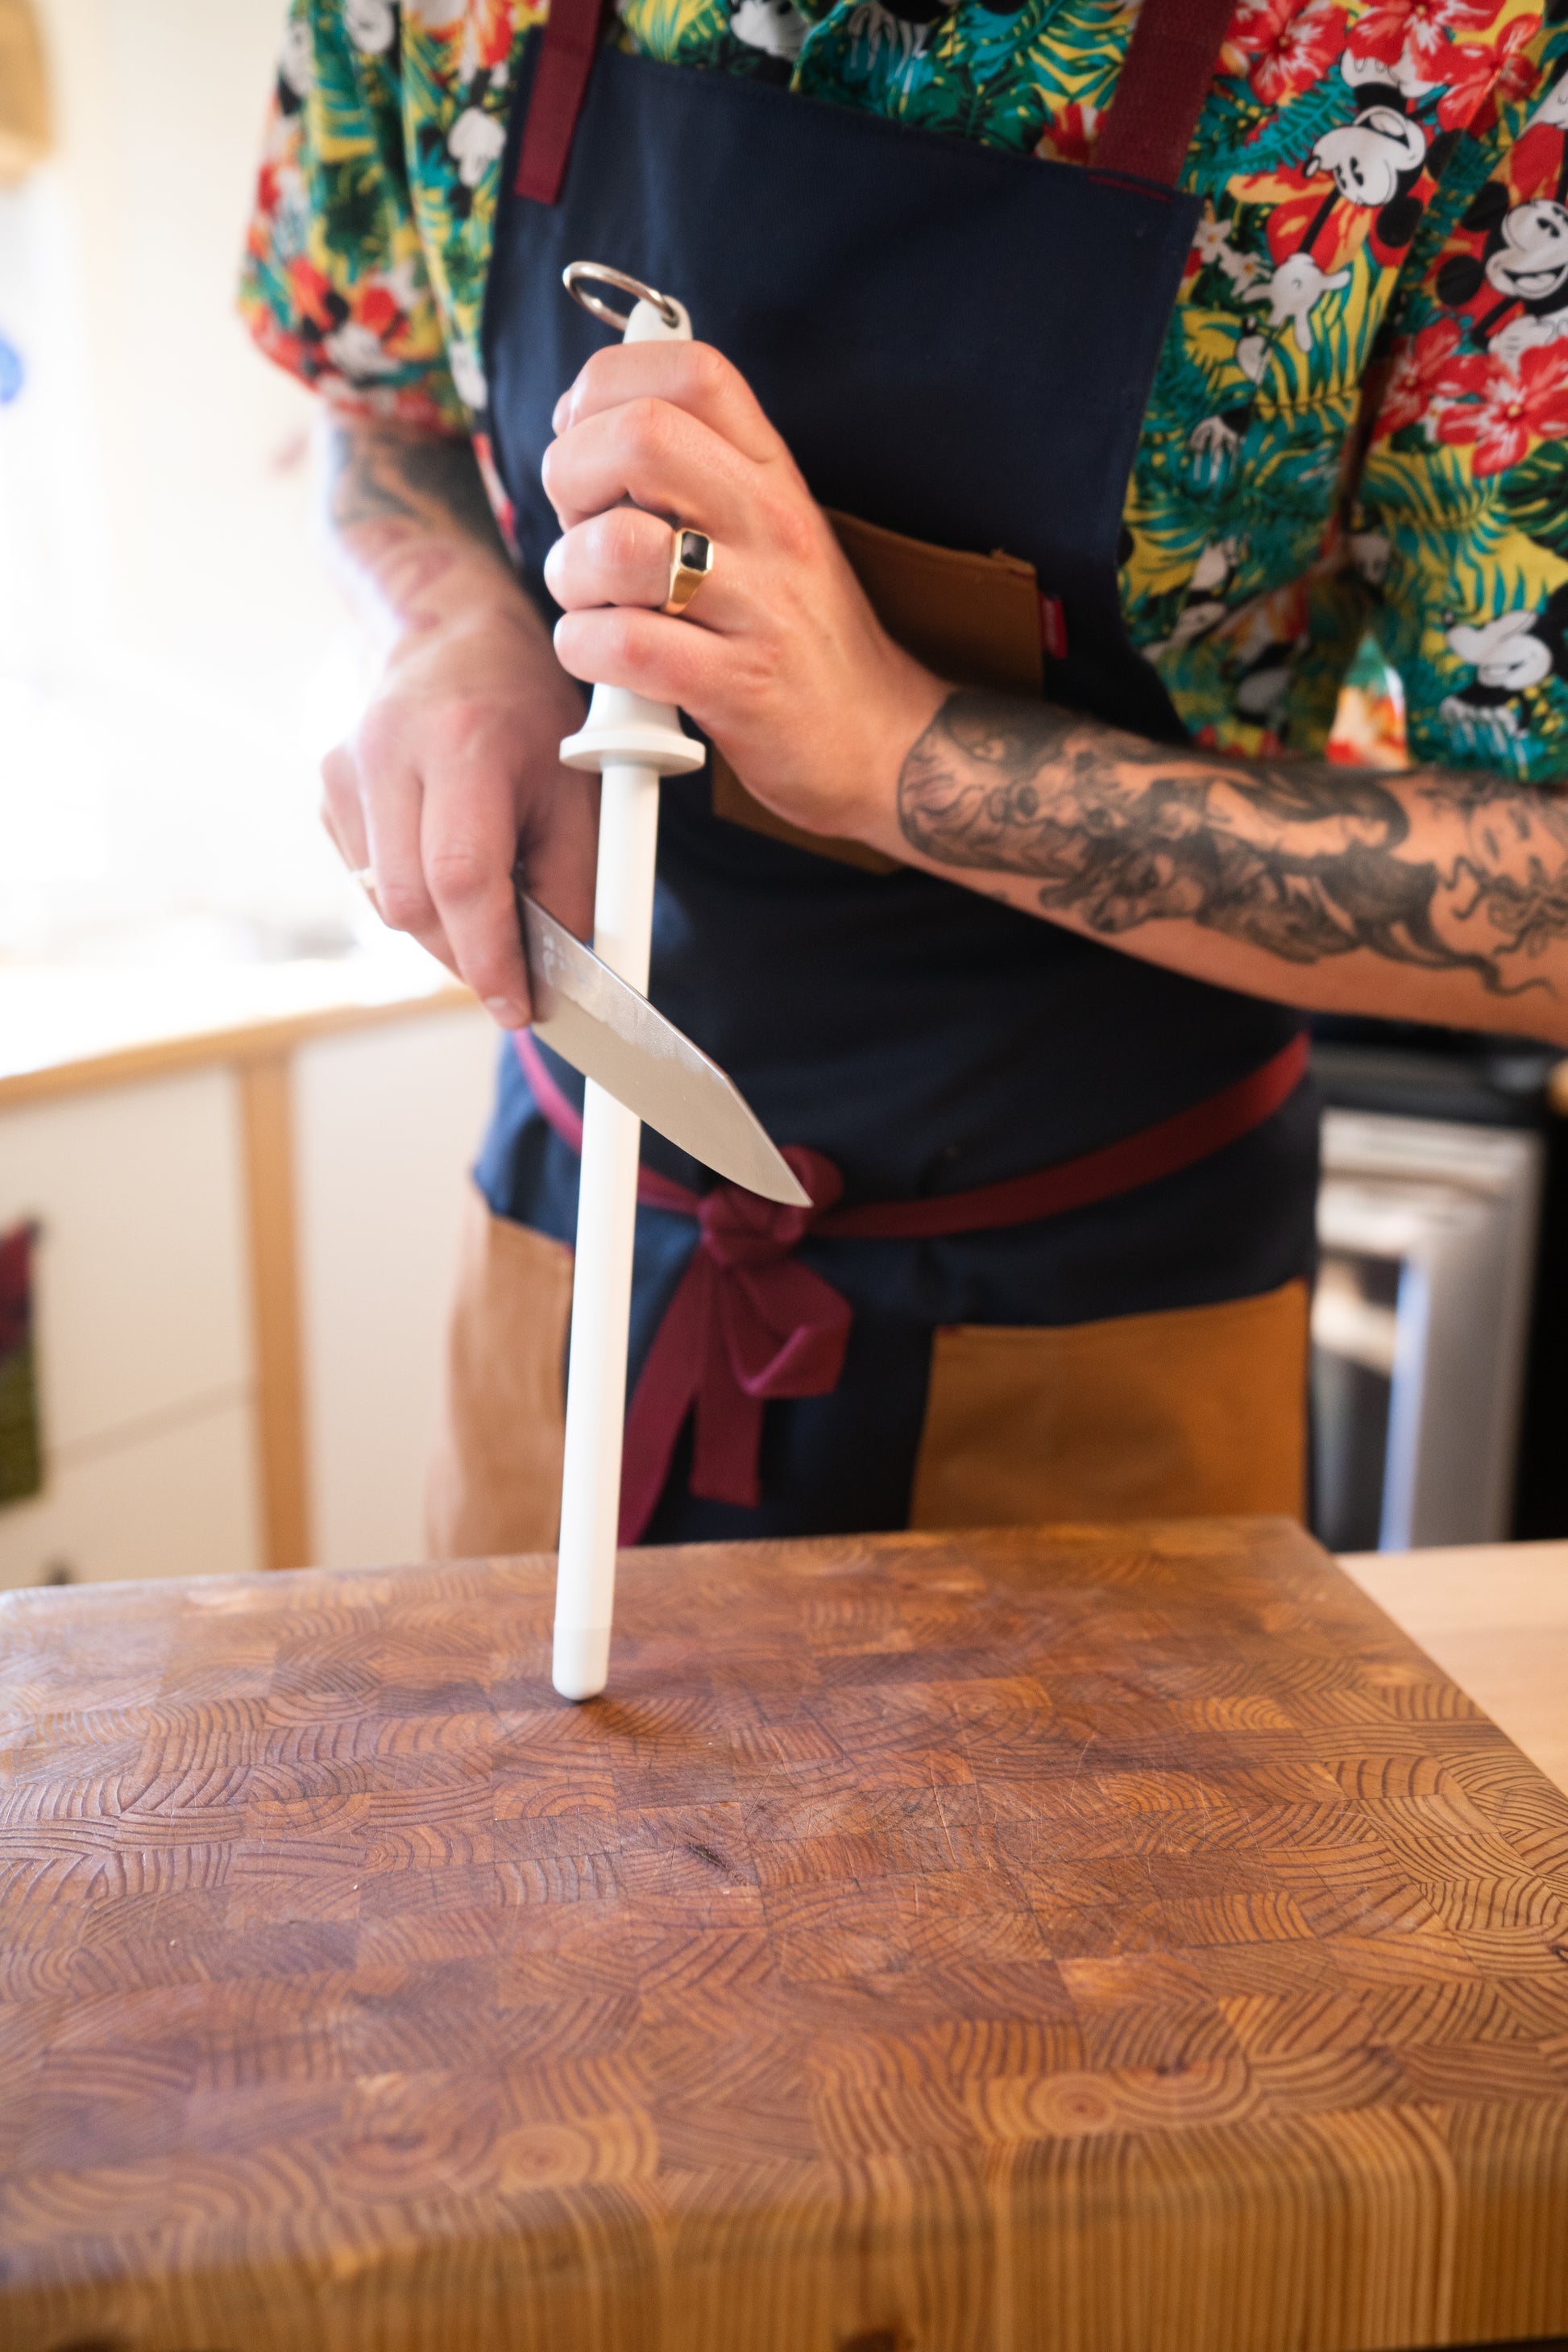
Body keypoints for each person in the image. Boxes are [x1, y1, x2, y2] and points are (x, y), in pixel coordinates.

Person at [242, 0, 1568, 1556]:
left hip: (1110, 1313)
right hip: (582, 1231)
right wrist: (457, 632)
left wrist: (899, 756)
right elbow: (374, 407)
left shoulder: (1450, 52)